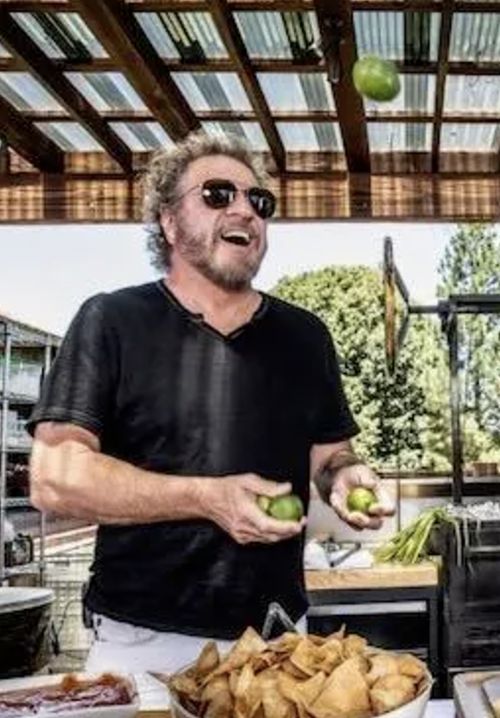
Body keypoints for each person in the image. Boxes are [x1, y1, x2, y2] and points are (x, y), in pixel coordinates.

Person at [27, 130, 392, 680]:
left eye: (258, 201)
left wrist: (344, 477)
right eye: (218, 194)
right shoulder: (111, 321)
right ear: (170, 223)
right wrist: (206, 498)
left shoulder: (305, 336)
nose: (244, 209)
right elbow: (53, 479)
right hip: (145, 647)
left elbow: (330, 455)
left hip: (278, 641)